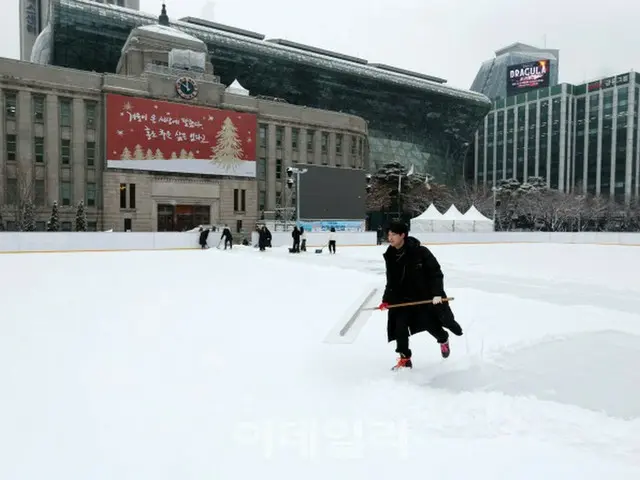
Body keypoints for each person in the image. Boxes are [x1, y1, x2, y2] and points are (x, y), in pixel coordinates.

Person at [378, 220, 463, 371]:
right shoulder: (390, 255)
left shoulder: (420, 252)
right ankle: (405, 359)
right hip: (401, 299)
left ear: (403, 235)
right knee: (399, 328)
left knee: (430, 325)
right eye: (388, 234)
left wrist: (437, 293)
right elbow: (391, 281)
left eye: (393, 234)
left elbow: (436, 273)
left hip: (422, 297)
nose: (389, 238)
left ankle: (443, 339)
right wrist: (386, 300)